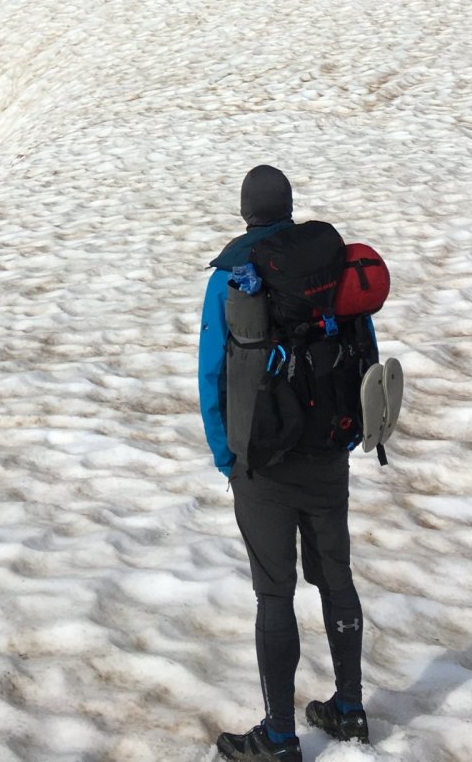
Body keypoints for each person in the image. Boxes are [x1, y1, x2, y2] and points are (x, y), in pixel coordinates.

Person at [198, 165, 370, 761]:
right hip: (328, 449)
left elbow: (214, 371)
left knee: (275, 596)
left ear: (246, 211)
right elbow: (360, 348)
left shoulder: (233, 276)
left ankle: (278, 736)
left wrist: (228, 455)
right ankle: (348, 709)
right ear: (290, 206)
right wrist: (350, 433)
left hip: (263, 463)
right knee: (337, 578)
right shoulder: (326, 263)